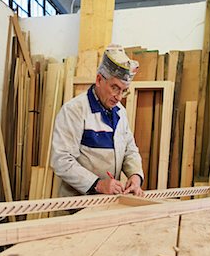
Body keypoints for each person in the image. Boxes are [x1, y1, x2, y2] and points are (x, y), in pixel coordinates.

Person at [51, 44, 144, 198]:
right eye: (115, 88)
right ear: (99, 79)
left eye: (124, 90)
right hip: (76, 207)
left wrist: (135, 176)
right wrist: (98, 184)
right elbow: (62, 160)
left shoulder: (120, 112)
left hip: (108, 205)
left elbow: (130, 149)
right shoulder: (74, 110)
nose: (119, 97)